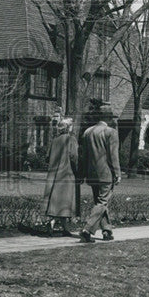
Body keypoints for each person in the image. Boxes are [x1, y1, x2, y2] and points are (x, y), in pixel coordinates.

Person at [78, 104, 120, 243]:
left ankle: (107, 231)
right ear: (108, 118)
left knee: (100, 203)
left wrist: (82, 173)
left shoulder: (87, 132)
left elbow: (83, 156)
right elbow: (113, 156)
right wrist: (117, 172)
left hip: (91, 173)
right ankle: (87, 229)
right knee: (102, 202)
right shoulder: (111, 132)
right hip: (106, 173)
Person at [40, 117, 78, 237]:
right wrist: (77, 170)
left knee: (55, 199)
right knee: (64, 200)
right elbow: (74, 157)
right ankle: (59, 225)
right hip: (66, 174)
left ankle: (56, 225)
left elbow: (47, 157)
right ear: (69, 127)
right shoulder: (71, 139)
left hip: (53, 174)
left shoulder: (55, 140)